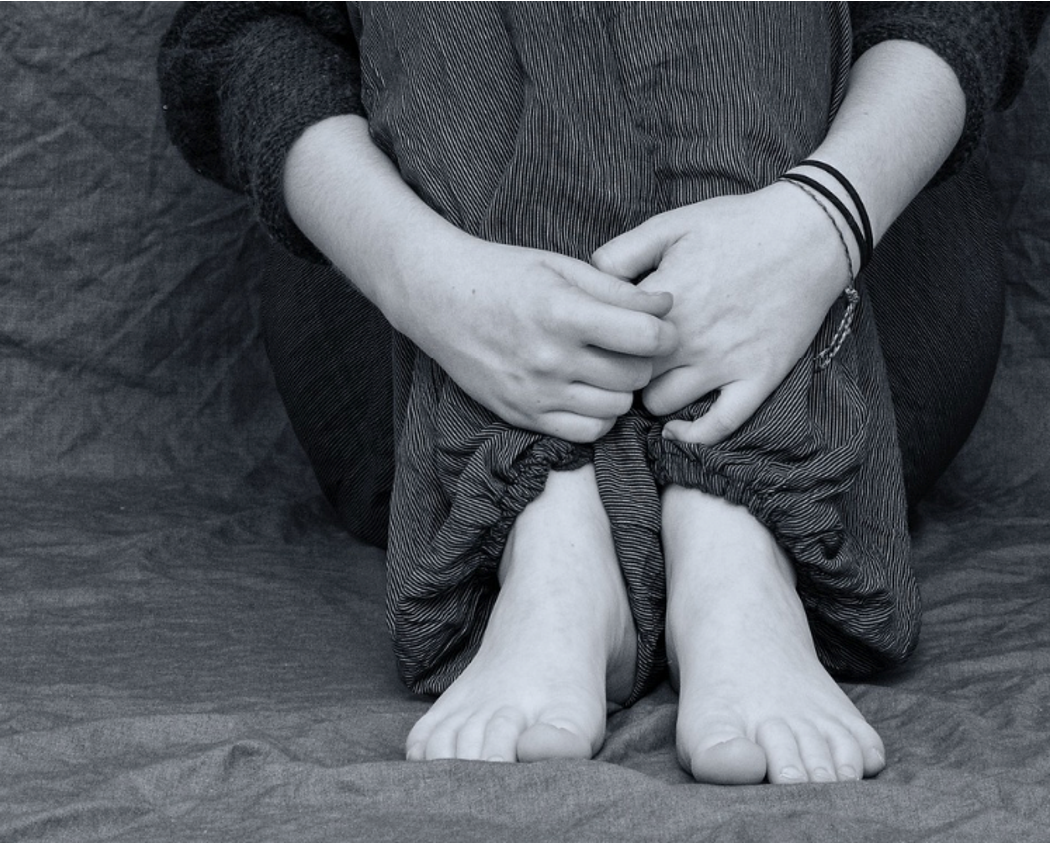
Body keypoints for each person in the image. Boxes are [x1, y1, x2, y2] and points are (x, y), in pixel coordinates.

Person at [159, 1, 1048, 784]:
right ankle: (549, 521)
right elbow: (241, 31)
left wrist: (821, 220)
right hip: (412, 321)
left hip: (850, 288)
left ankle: (738, 541)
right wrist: (430, 280)